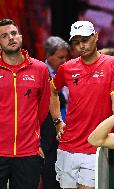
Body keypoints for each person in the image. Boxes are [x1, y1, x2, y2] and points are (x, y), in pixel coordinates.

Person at [50, 20, 114, 189]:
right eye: (76, 42)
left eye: (85, 40)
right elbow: (52, 91)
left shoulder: (113, 64)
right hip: (67, 145)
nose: (81, 46)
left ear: (96, 37)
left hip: (96, 147)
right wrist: (57, 121)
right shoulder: (66, 68)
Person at [0, 18, 50, 189]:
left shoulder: (40, 69)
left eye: (13, 33)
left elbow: (43, 109)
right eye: (4, 36)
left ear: (20, 36)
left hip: (28, 153)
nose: (11, 38)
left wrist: (35, 140)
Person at [40, 36, 70, 189]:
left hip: (69, 133)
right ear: (48, 55)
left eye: (66, 57)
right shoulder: (40, 73)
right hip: (48, 135)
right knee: (50, 176)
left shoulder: (69, 72)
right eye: (60, 57)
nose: (64, 61)